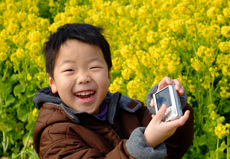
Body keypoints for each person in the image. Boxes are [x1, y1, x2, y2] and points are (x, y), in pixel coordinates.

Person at [33, 23, 194, 159]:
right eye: (70, 70)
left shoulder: (127, 109)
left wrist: (170, 112)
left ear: (109, 74)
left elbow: (173, 150)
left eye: (94, 67)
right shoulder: (54, 135)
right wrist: (145, 142)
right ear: (52, 82)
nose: (83, 78)